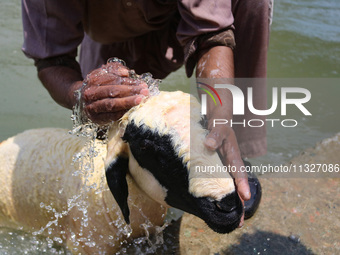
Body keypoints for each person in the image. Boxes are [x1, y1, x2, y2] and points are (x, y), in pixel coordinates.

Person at [21, 0, 272, 226]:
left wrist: (221, 117)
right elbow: (53, 59)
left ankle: (231, 151)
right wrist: (80, 95)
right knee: (106, 118)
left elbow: (213, 34)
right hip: (108, 27)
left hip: (178, 12)